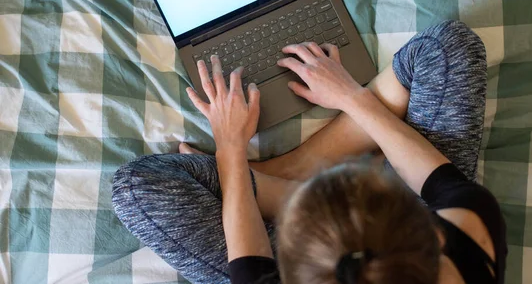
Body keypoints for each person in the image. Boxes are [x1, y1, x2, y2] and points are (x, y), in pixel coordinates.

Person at [112, 20, 507, 284]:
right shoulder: (470, 228)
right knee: (447, 47)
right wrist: (350, 96)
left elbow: (247, 261)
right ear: (432, 234)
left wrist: (231, 146)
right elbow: (441, 181)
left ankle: (284, 177)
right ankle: (292, 169)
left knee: (136, 187)